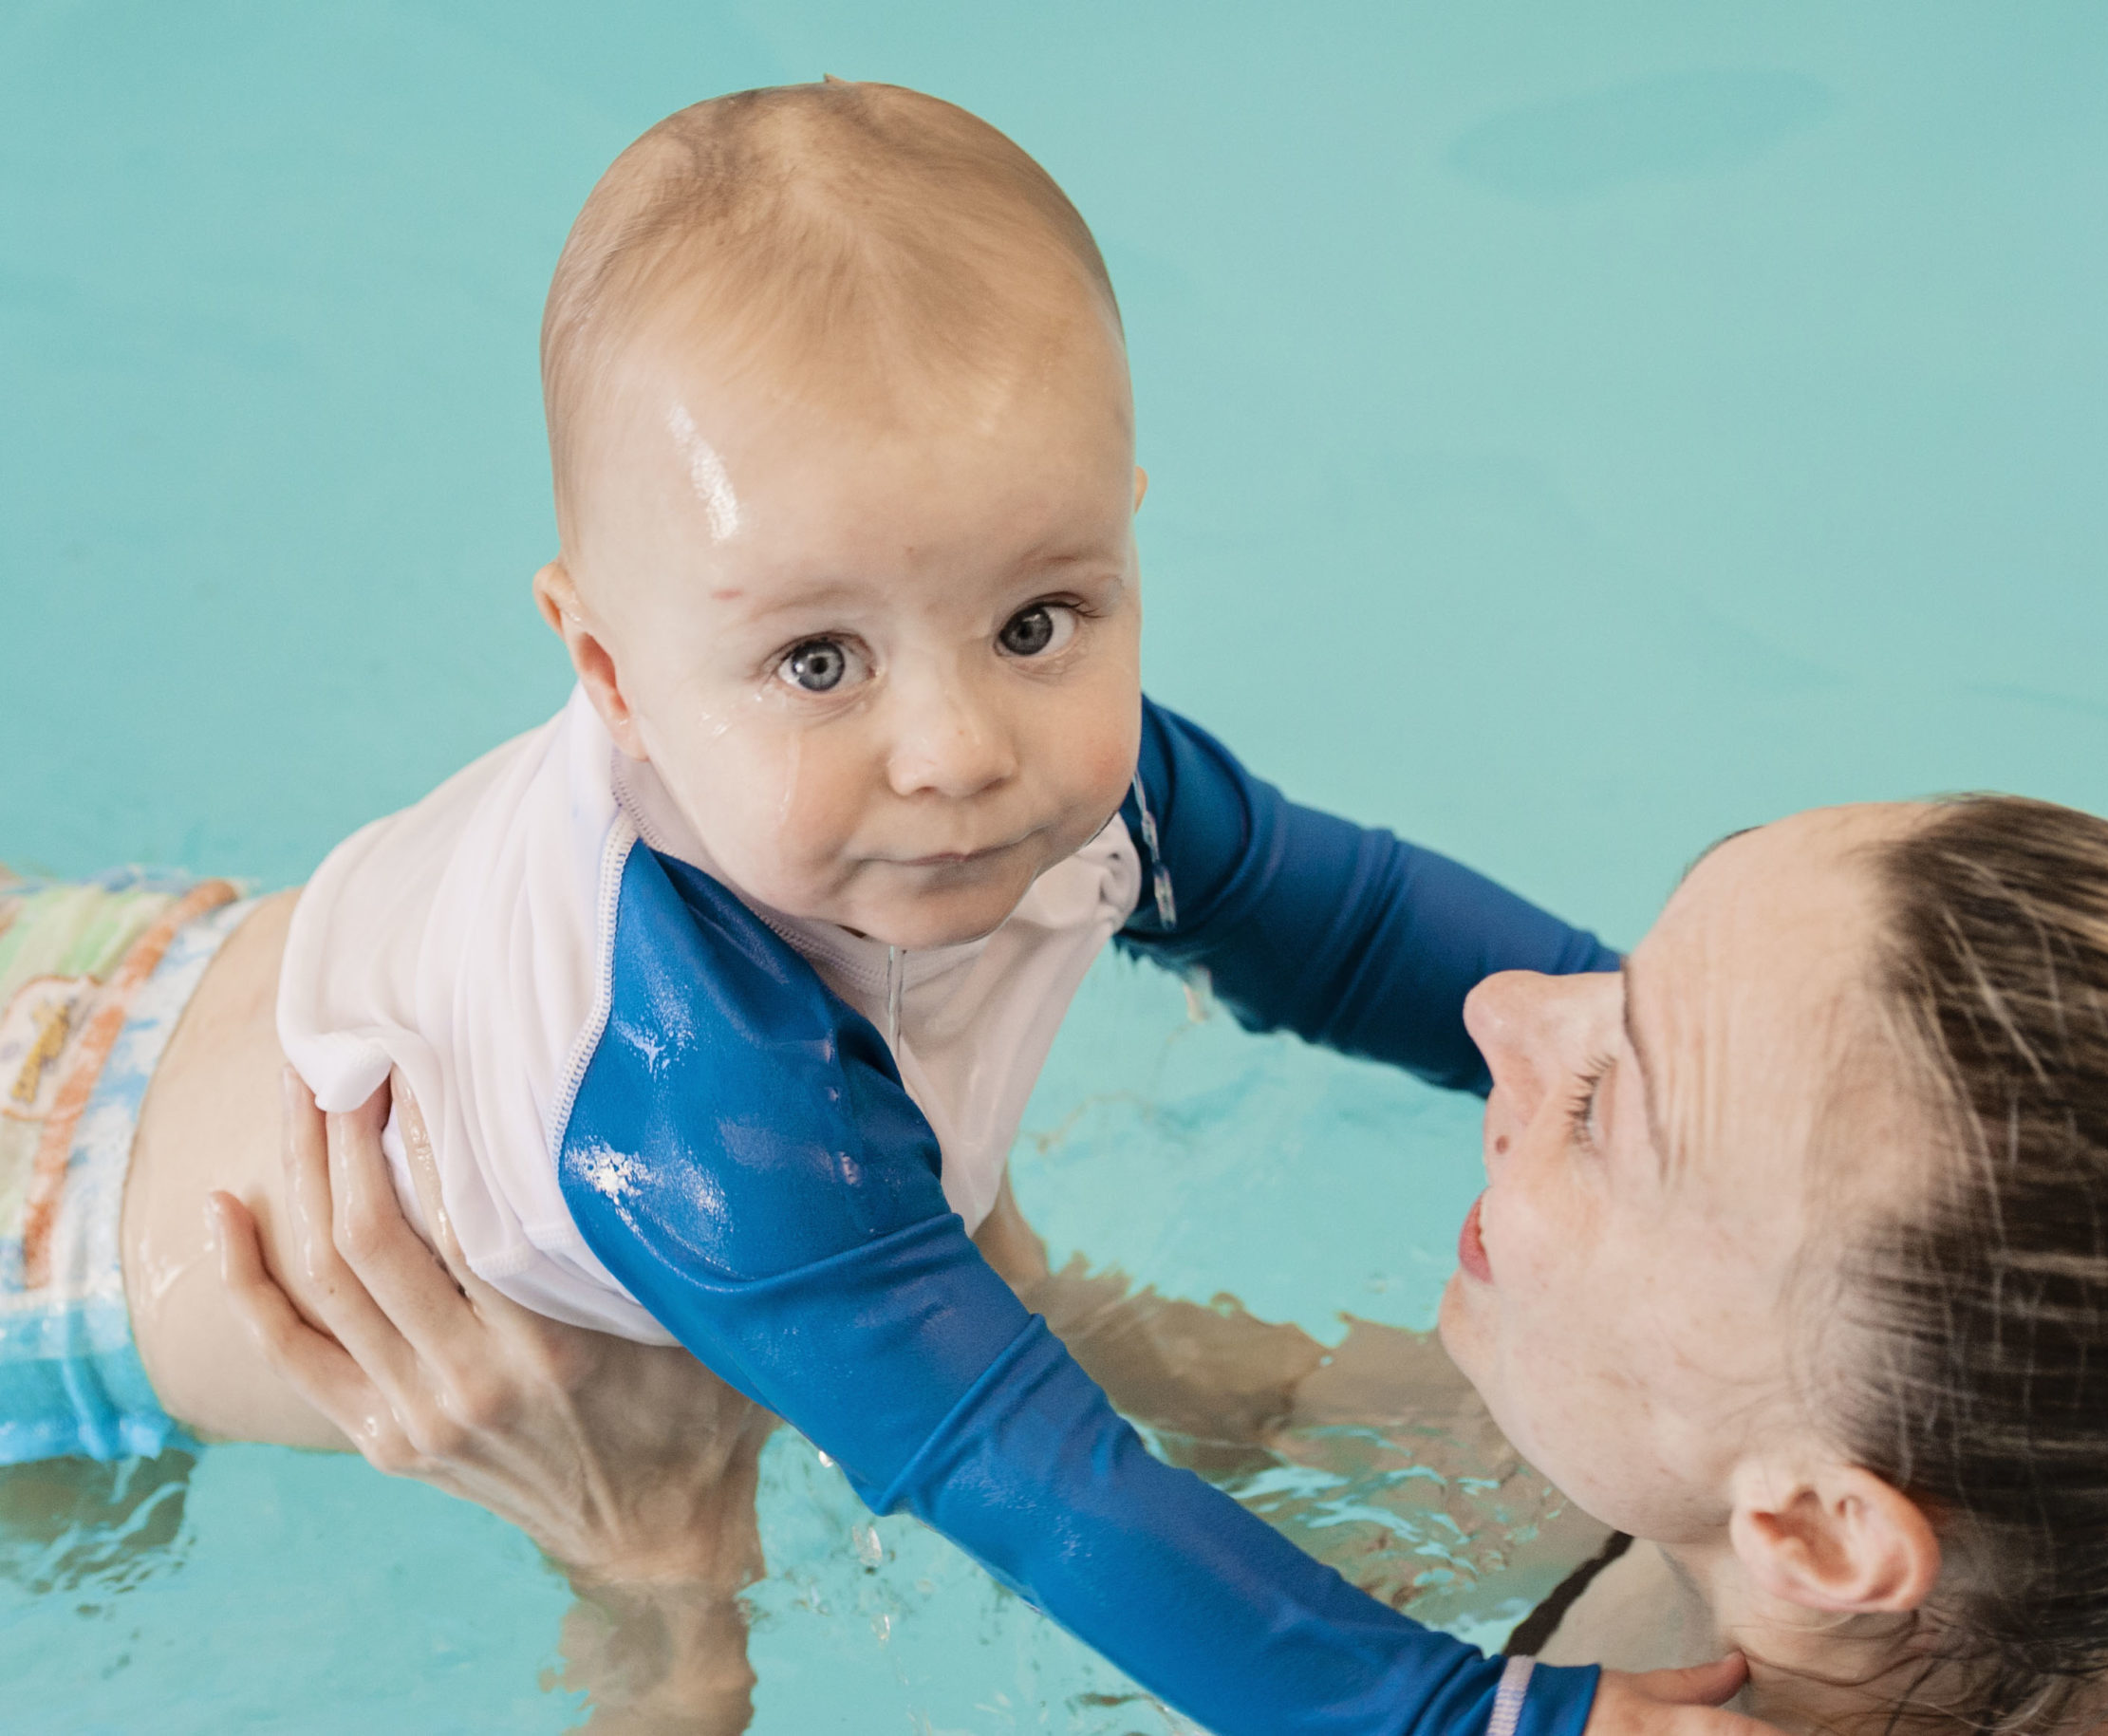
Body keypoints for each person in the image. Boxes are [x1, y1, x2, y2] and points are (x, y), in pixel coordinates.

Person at [6, 78, 1771, 1736]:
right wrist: (1467, 1714)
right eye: (818, 660)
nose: (956, 748)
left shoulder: (1086, 783)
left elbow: (1367, 930)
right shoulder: (706, 1094)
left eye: (1035, 621)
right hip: (66, 1253)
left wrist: (1684, 1060)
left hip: (154, 966)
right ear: (610, 672)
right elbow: (1044, 1478)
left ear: (1125, 541)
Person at [245, 794, 2108, 1733]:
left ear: (1823, 1532)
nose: (1499, 1015)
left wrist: (648, 1593)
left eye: (1606, 1099)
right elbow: (1328, 1436)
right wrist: (926, 1265)